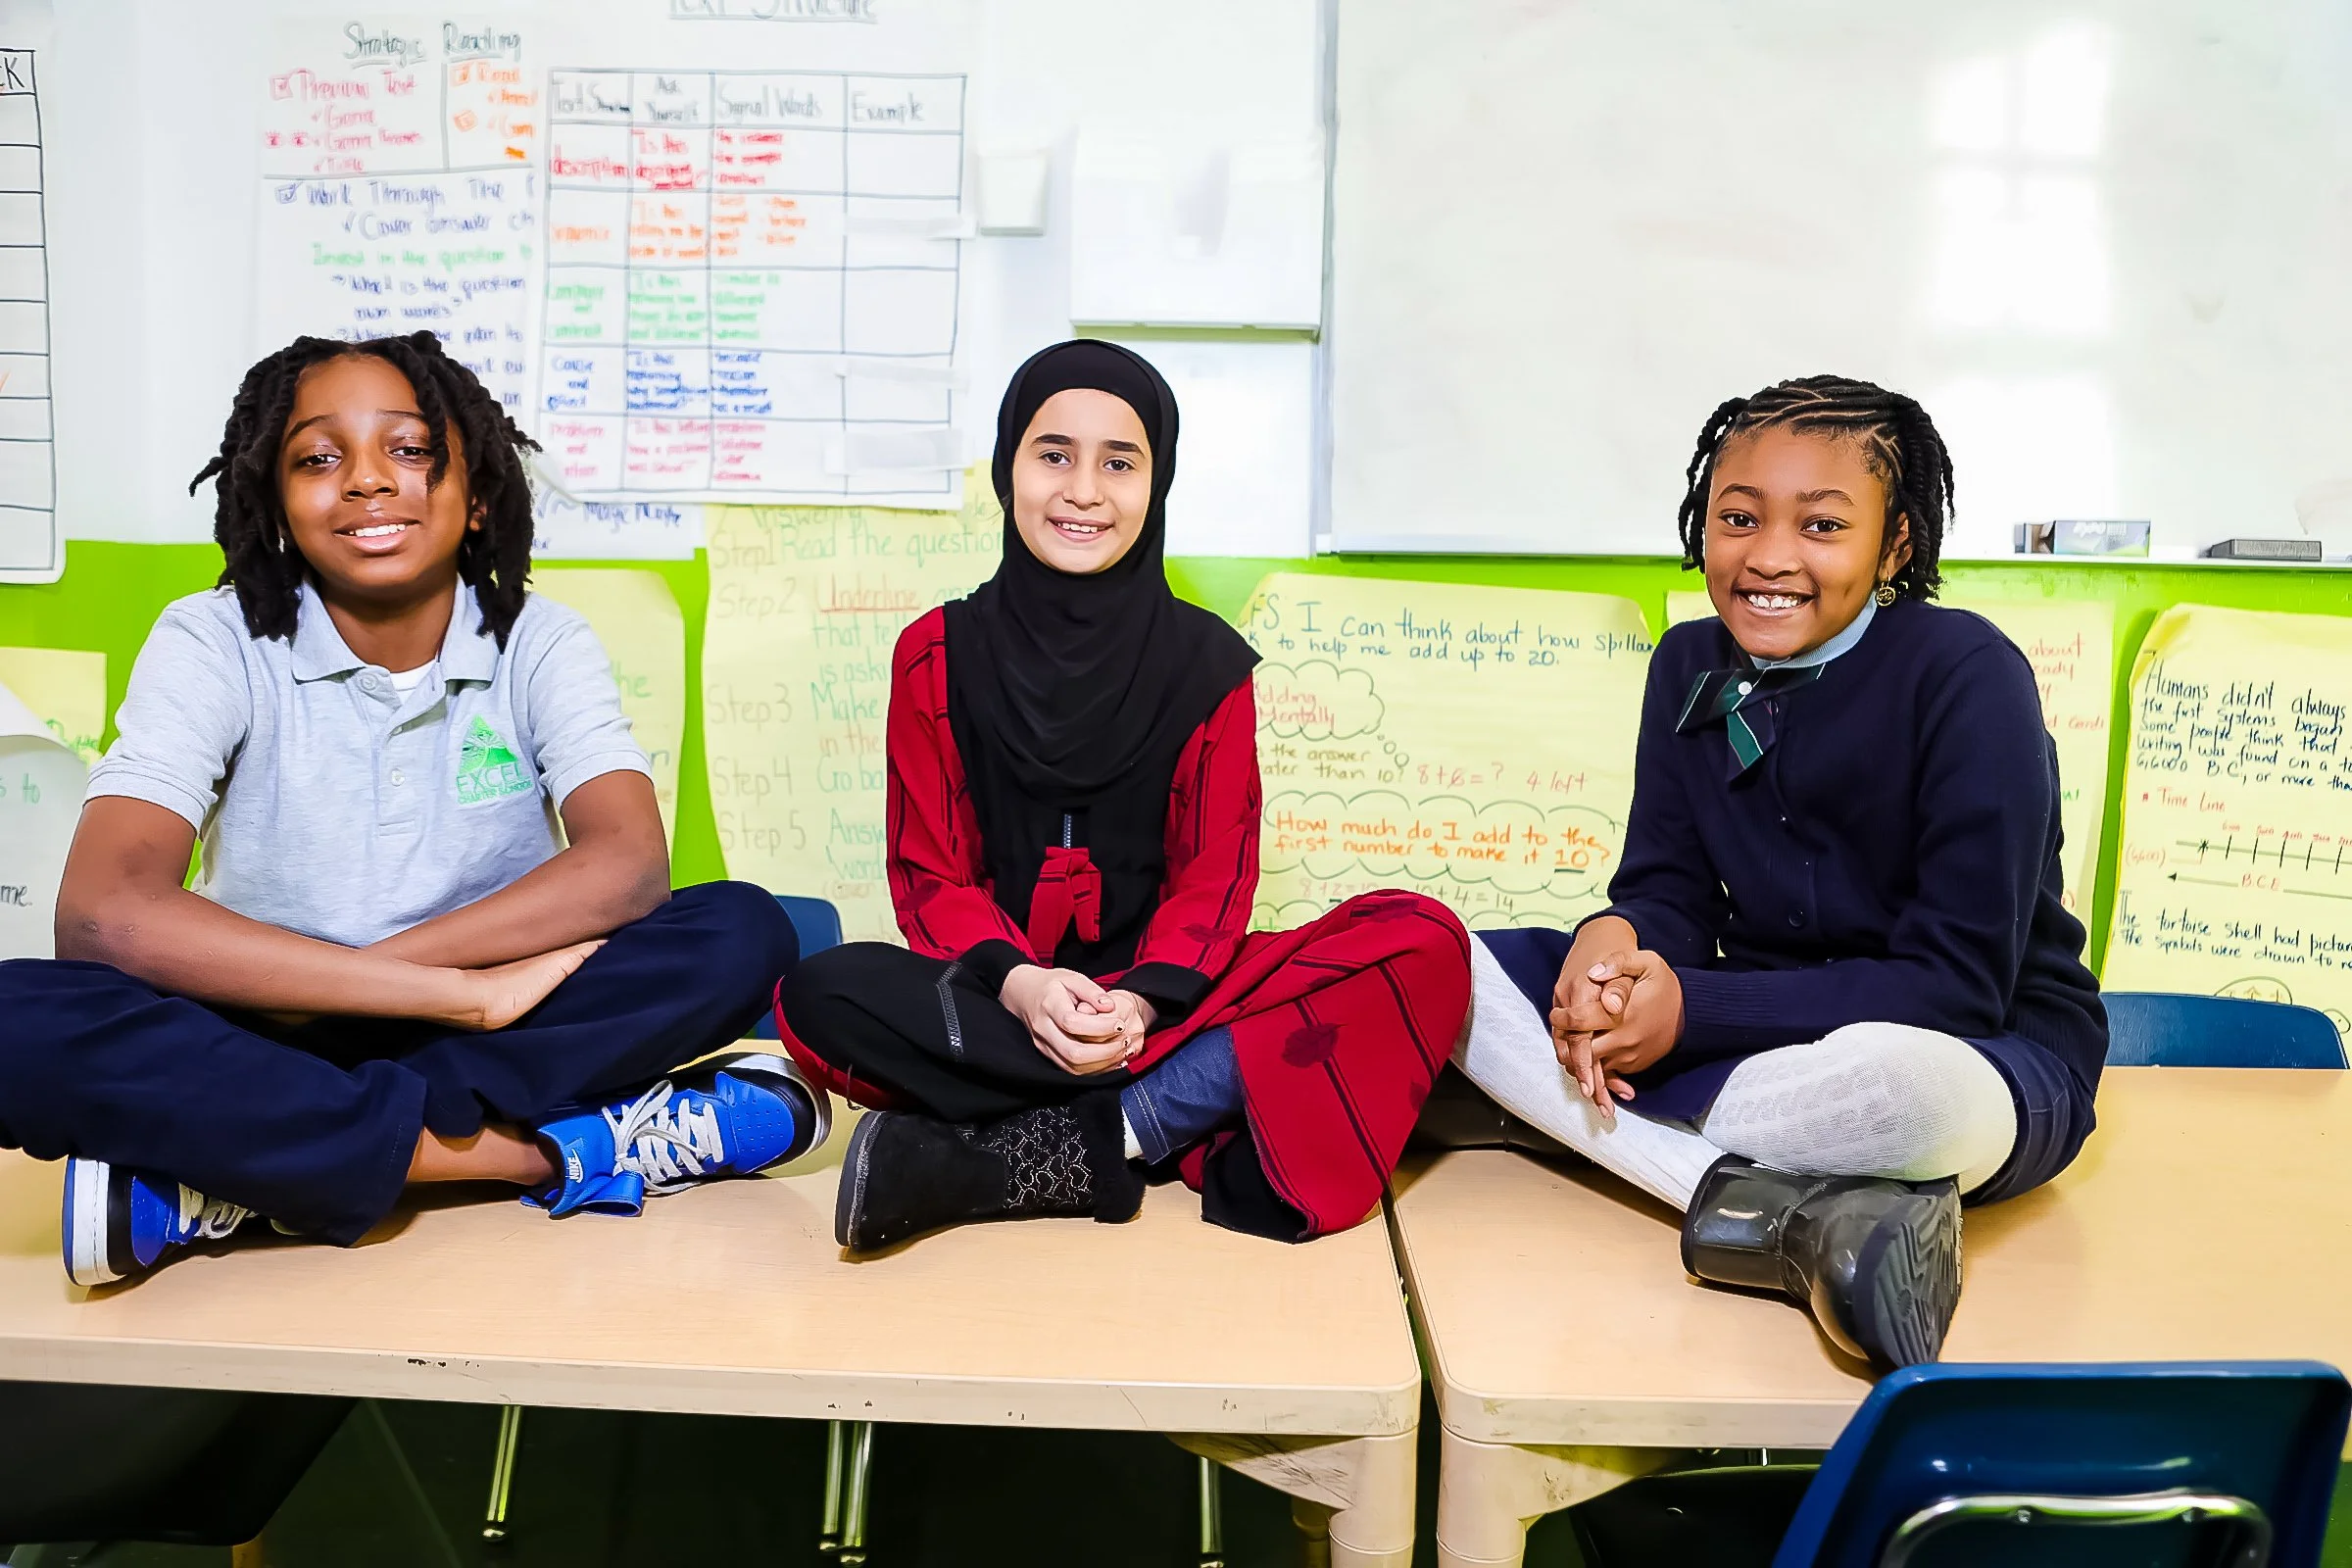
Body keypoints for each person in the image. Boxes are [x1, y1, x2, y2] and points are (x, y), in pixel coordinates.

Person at [0, 332, 826, 1288]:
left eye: (409, 450)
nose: (364, 481)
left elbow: (627, 863)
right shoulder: (211, 638)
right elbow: (105, 911)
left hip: (476, 1021)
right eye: (318, 457)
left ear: (475, 495)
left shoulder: (540, 638)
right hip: (261, 1023)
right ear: (273, 494)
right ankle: (544, 1153)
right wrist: (440, 992)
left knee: (741, 929)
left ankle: (232, 1170)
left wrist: (385, 982)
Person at [1457, 375, 2106, 1370]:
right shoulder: (1688, 667)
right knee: (1431, 957)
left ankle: (1578, 1127)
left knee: (1901, 1098)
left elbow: (1957, 985)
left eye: (1822, 525)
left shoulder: (1967, 672)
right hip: (1753, 1025)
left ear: (1894, 546)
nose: (1770, 557)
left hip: (1984, 1051)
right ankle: (1814, 1221)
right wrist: (1614, 947)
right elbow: (1666, 887)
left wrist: (1688, 1016)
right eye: (1739, 517)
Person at [778, 339, 1471, 1250]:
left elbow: (1216, 881)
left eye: (1120, 462)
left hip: (1167, 1015)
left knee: (1420, 941)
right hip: (1007, 1008)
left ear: (1159, 483)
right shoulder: (933, 656)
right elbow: (929, 875)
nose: (1083, 491)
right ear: (1006, 467)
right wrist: (1027, 989)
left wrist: (1136, 1005)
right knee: (818, 993)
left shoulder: (1210, 664)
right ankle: (1151, 1118)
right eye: (1053, 454)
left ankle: (1098, 1132)